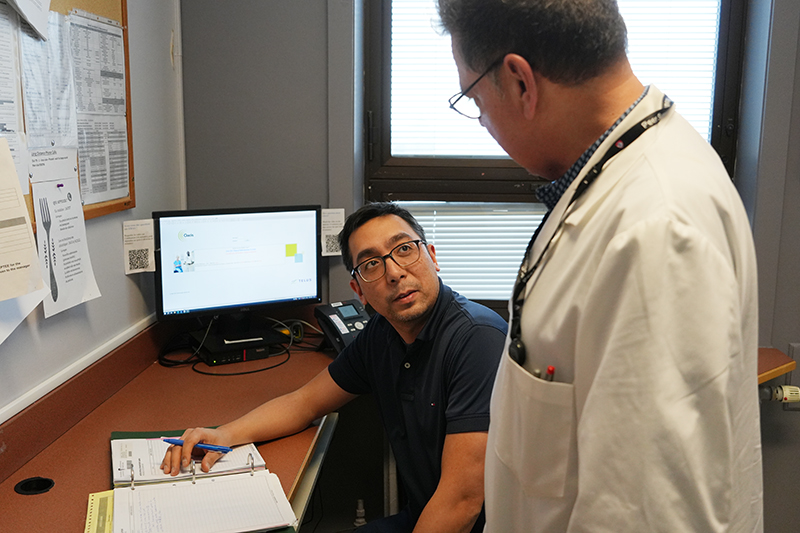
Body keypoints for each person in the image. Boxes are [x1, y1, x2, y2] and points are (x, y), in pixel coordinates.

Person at [437, 0, 763, 531]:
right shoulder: (620, 169)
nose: (483, 123)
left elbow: (649, 515)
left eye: (474, 98)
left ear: (520, 82)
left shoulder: (658, 228)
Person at [161, 202, 508, 533]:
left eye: (404, 249)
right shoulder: (382, 334)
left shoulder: (477, 339)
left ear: (432, 256)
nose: (394, 272)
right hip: (422, 515)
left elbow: (462, 503)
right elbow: (303, 403)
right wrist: (224, 434)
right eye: (371, 264)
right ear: (359, 290)